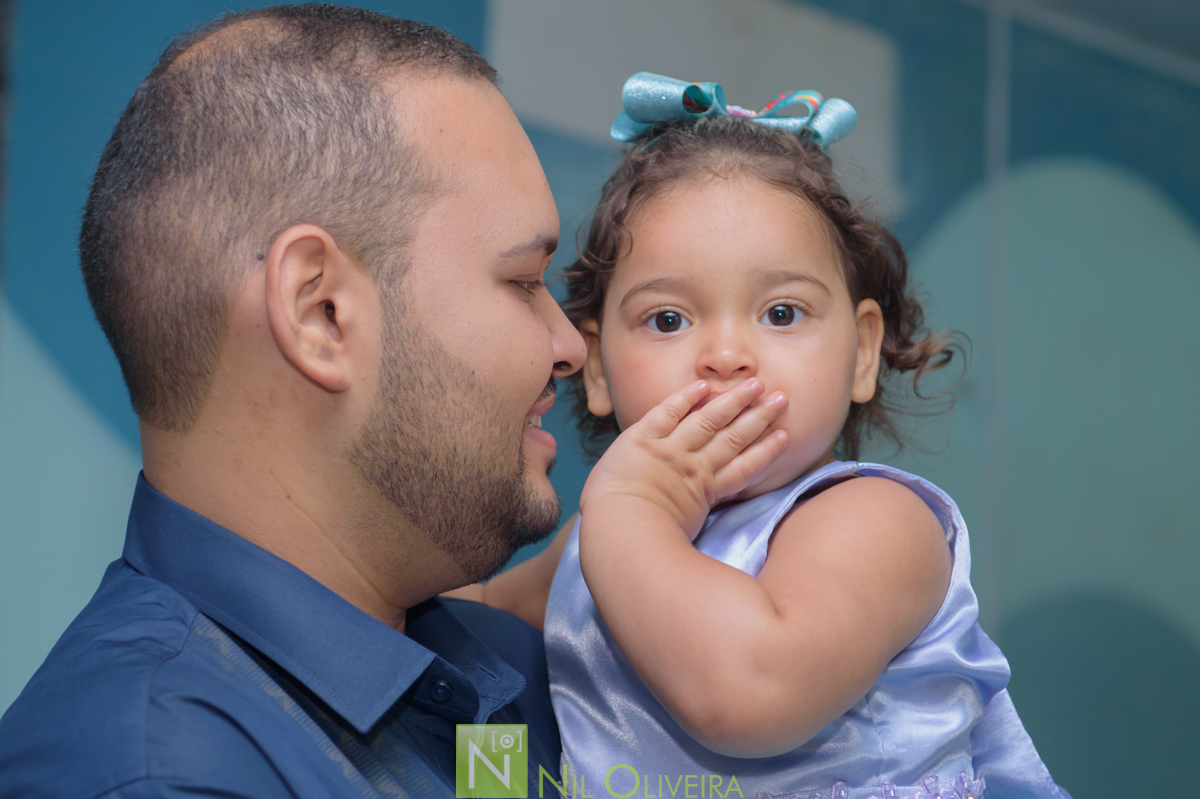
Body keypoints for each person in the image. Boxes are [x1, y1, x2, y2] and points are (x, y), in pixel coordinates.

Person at [0, 6, 586, 797]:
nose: (570, 347)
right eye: (522, 282)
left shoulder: (498, 671)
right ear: (321, 312)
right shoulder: (154, 774)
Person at [462, 74, 1071, 798]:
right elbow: (469, 631)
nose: (726, 353)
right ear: (596, 366)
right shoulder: (597, 538)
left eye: (781, 313)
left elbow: (748, 693)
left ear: (863, 351)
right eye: (668, 319)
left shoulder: (875, 522)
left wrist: (632, 511)